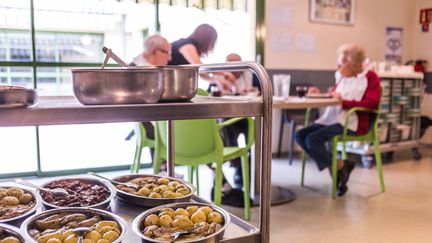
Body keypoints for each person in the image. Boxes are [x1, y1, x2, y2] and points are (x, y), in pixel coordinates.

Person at [295, 44, 381, 196]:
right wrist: (319, 93)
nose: (338, 66)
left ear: (353, 65)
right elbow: (336, 94)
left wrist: (345, 103)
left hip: (353, 123)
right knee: (300, 135)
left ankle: (339, 169)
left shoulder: (370, 78)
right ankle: (341, 166)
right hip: (333, 119)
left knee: (313, 140)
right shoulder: (342, 76)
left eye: (341, 63)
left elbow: (372, 103)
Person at [125, 34, 171, 163]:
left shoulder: (149, 69)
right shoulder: (135, 70)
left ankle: (164, 167)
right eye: (167, 52)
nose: (170, 57)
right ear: (155, 51)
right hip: (147, 124)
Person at [168, 24, 236, 90]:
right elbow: (200, 66)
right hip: (167, 83)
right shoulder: (186, 44)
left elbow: (200, 72)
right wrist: (224, 74)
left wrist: (217, 81)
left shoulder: (190, 46)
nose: (212, 46)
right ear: (207, 40)